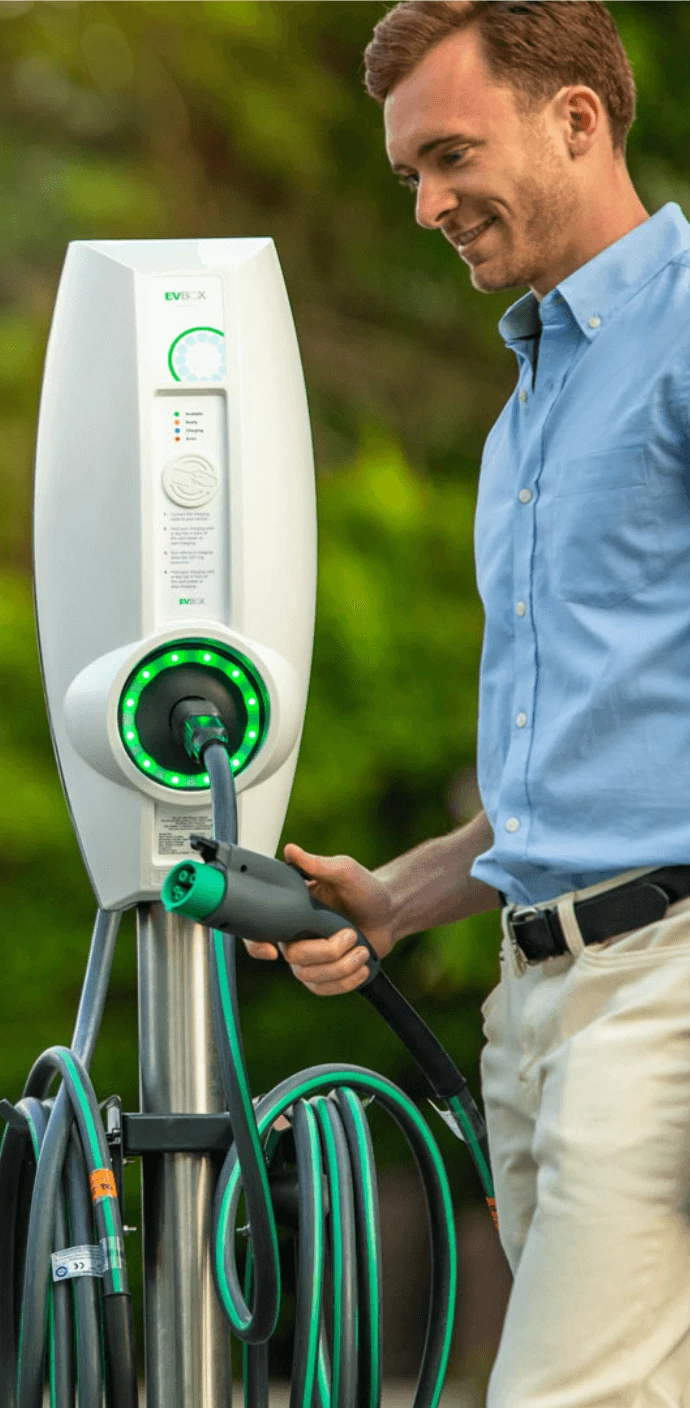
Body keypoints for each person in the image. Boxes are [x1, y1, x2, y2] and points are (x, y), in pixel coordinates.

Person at [246, 4, 690, 1403]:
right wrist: (395, 895)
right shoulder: (528, 409)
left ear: (575, 119)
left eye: (450, 155)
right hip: (536, 1004)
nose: (429, 203)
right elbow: (575, 775)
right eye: (408, 176)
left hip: (663, 998)